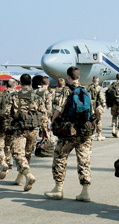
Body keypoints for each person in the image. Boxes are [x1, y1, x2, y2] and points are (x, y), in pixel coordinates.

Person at [45, 66, 94, 201]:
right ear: (79, 77)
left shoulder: (66, 91)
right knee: (84, 160)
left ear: (68, 77)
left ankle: (58, 189)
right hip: (85, 132)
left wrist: (52, 122)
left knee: (60, 156)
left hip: (69, 132)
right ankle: (85, 192)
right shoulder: (86, 91)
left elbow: (59, 109)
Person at [1, 74, 48, 191]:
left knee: (17, 153)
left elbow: (6, 113)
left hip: (19, 129)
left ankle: (28, 175)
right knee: (27, 153)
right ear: (31, 83)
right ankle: (20, 178)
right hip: (33, 129)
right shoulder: (36, 97)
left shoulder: (14, 96)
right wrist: (44, 131)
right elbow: (43, 114)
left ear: (20, 83)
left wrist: (7, 127)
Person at [35, 76, 55, 145]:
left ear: (41, 83)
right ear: (48, 83)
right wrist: (49, 118)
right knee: (48, 132)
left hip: (35, 115)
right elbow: (49, 108)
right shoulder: (48, 94)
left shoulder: (35, 92)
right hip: (44, 116)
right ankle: (48, 147)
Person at [87, 76, 106, 141]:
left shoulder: (88, 88)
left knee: (91, 121)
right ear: (97, 81)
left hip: (90, 107)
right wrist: (103, 106)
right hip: (97, 107)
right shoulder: (99, 88)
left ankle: (91, 135)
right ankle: (99, 135)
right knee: (98, 121)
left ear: (92, 81)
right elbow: (101, 98)